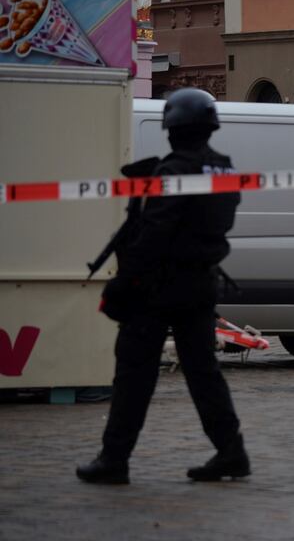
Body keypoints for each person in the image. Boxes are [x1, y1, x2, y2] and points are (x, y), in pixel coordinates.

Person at [77, 88, 248, 485]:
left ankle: (114, 459)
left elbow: (154, 234)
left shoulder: (172, 173)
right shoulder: (223, 169)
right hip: (201, 284)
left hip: (158, 288)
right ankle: (231, 451)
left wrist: (125, 283)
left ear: (172, 128)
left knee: (134, 374)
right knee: (204, 374)